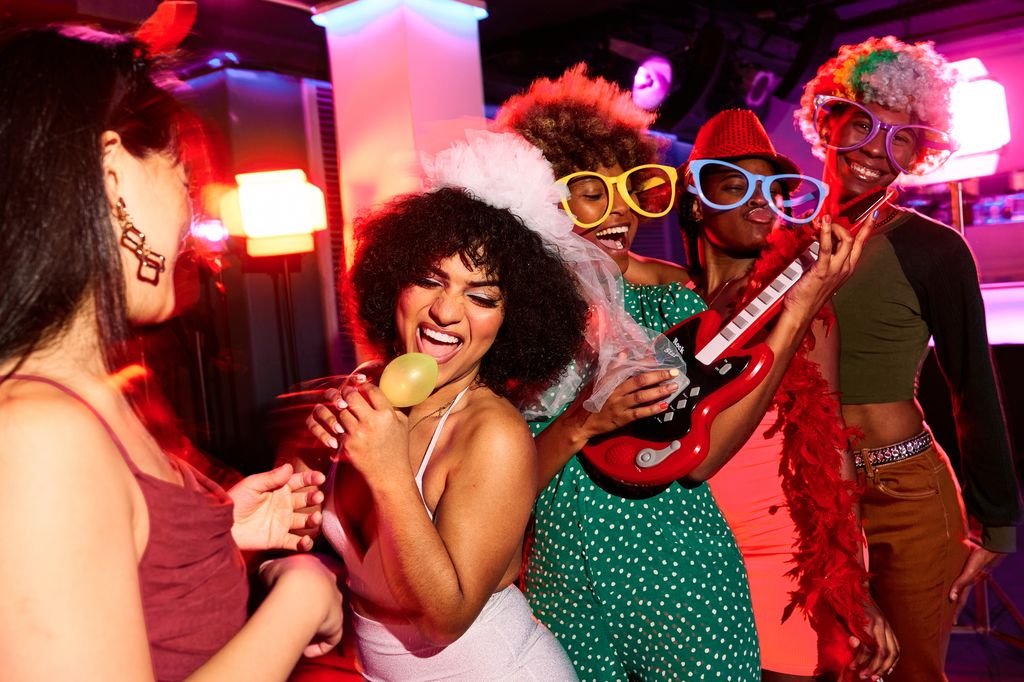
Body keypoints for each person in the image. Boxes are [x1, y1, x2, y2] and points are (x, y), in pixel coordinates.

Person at [491, 64, 867, 680]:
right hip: (562, 585)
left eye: (633, 189)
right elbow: (499, 486)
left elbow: (704, 453)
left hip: (678, 573)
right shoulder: (509, 323)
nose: (619, 211)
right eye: (592, 190)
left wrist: (800, 306)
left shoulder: (665, 300)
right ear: (545, 194)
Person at [0, 25, 344, 681]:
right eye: (183, 175)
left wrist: (214, 538)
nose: (190, 216)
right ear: (111, 176)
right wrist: (300, 598)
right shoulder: (38, 433)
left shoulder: (90, 395)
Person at [301, 130, 591, 680]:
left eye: (481, 296)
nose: (446, 312)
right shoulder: (368, 385)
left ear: (512, 321)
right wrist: (309, 462)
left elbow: (445, 618)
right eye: (430, 280)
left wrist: (388, 474)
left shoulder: (494, 434)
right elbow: (311, 523)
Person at [795, 35, 1023, 680]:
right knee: (829, 668)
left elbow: (972, 383)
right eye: (864, 124)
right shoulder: (779, 244)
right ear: (827, 119)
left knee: (912, 671)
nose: (876, 150)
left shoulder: (935, 250)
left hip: (909, 493)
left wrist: (998, 521)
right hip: (810, 494)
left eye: (903, 139)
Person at [678, 108, 898, 680]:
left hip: (778, 551)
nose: (760, 202)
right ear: (698, 198)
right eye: (737, 186)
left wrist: (852, 580)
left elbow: (831, 447)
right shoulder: (666, 303)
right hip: (687, 549)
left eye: (772, 189)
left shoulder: (803, 306)